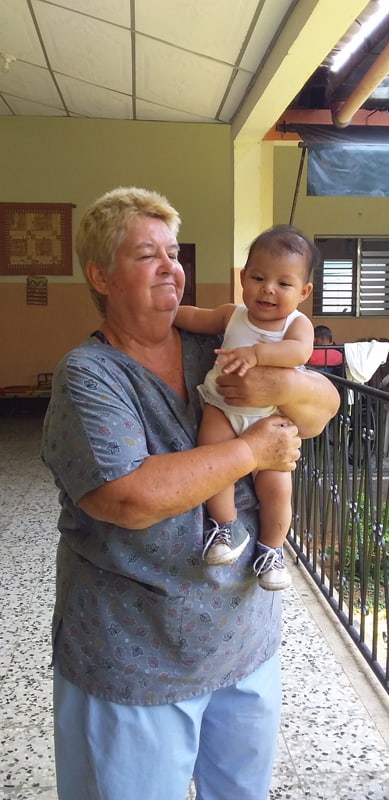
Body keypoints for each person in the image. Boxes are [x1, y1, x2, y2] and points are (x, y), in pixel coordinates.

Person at [41, 186, 340, 800]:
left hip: (241, 637)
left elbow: (321, 406)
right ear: (100, 275)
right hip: (134, 656)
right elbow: (128, 496)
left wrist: (290, 396)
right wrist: (255, 450)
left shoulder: (218, 347)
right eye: (146, 254)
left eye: (173, 253)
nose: (170, 265)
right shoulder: (89, 376)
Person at [175, 224, 316, 591]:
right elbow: (195, 316)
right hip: (222, 405)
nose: (268, 288)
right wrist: (167, 312)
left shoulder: (296, 324)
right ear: (242, 279)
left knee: (276, 489)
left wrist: (258, 354)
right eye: (258, 277)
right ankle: (222, 530)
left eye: (284, 284)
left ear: (303, 292)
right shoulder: (232, 314)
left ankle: (271, 551)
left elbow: (299, 353)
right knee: (214, 459)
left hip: (269, 419)